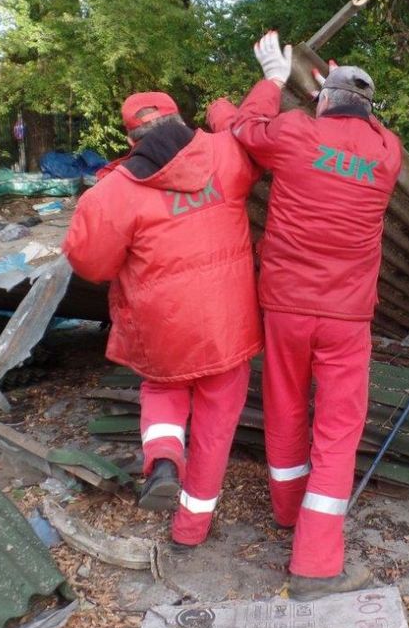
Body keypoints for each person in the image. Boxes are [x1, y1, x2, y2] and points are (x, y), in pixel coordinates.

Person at [210, 31, 403, 601]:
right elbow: (358, 128)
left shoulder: (295, 132)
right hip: (347, 316)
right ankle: (317, 564)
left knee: (286, 408)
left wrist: (273, 81)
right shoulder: (387, 152)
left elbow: (243, 127)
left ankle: (288, 513)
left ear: (323, 101)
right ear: (367, 108)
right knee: (338, 431)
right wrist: (335, 95)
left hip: (286, 306)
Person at [63, 91, 262, 549]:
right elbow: (254, 135)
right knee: (215, 428)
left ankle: (164, 457)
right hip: (228, 326)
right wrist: (230, 105)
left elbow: (91, 264)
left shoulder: (113, 191)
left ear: (130, 138)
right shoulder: (225, 153)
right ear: (179, 119)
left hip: (163, 325)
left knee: (162, 389)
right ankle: (191, 528)